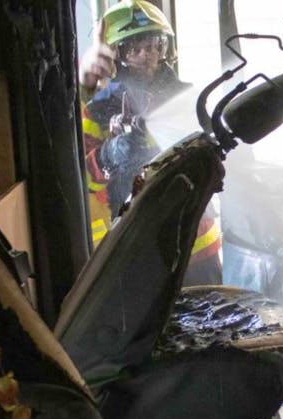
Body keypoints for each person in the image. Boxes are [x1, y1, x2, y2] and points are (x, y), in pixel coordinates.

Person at [79, 0, 222, 285]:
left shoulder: (188, 100)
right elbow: (82, 180)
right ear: (116, 55)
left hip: (195, 247)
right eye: (135, 48)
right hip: (130, 249)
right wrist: (109, 155)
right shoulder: (96, 109)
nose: (149, 56)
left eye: (157, 45)